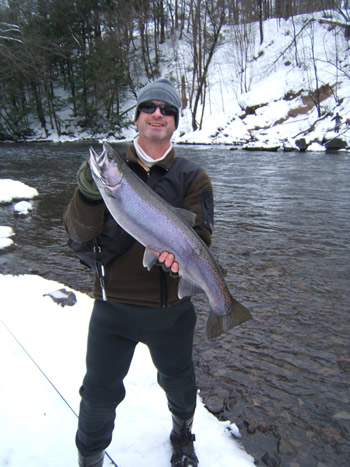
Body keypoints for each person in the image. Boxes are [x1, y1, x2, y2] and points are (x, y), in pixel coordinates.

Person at [63, 78, 214, 467]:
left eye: (167, 109)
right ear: (137, 118)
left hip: (172, 313)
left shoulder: (193, 177)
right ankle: (90, 458)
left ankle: (182, 431)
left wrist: (183, 261)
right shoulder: (104, 177)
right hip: (113, 310)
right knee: (97, 393)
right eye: (149, 107)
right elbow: (77, 234)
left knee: (180, 383)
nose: (157, 114)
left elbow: (201, 241)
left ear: (176, 122)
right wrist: (87, 191)